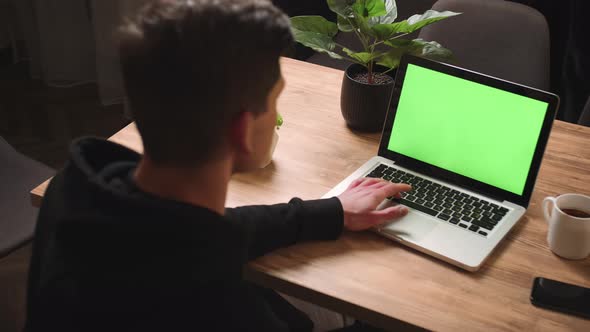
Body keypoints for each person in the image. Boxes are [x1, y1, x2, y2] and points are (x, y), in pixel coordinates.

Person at [25, 1, 411, 331]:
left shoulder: (81, 184)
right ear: (243, 130)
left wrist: (331, 211)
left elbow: (204, 233)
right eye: (274, 102)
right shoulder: (216, 307)